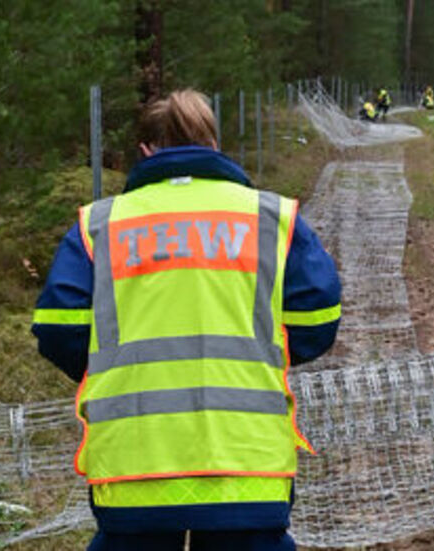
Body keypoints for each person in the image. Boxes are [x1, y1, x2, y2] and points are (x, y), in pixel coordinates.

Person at [32, 89, 342, 551]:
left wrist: (118, 369)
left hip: (134, 469)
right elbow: (318, 319)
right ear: (214, 145)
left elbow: (59, 329)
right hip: (247, 469)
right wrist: (254, 355)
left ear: (145, 152)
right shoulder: (271, 218)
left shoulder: (99, 225)